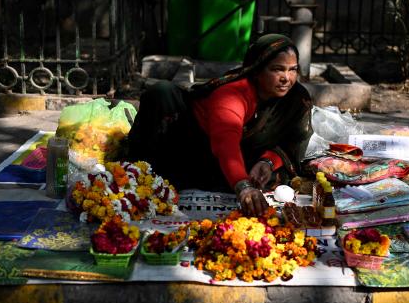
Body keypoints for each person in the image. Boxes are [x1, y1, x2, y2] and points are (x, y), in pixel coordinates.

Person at [121, 34, 313, 216]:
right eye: (277, 69)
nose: (286, 78)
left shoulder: (296, 99)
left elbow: (294, 141)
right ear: (257, 70)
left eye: (292, 69)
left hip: (242, 154)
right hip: (195, 147)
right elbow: (225, 143)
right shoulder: (233, 94)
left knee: (277, 177)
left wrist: (268, 162)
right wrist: (243, 186)